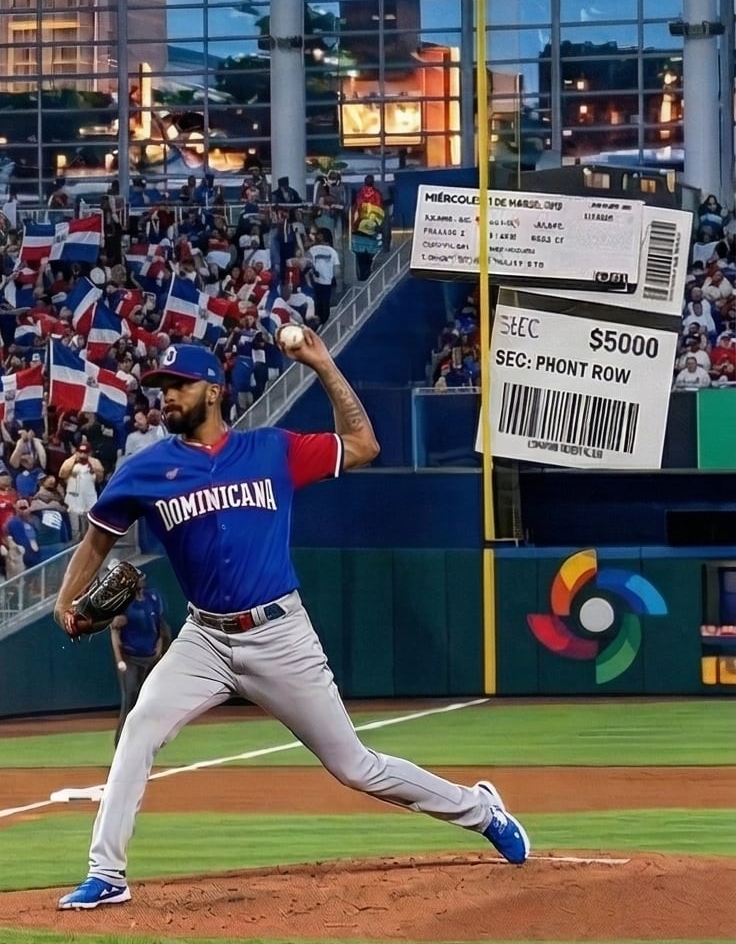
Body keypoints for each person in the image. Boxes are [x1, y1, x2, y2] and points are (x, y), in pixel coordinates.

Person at [49, 339, 528, 911]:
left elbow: (364, 444)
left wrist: (323, 364)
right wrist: (65, 602)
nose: (168, 396)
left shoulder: (271, 450)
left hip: (278, 634)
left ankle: (481, 810)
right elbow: (97, 539)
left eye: (179, 385)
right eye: (163, 387)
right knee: (140, 728)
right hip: (204, 639)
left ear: (213, 391)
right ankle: (106, 873)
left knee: (355, 767)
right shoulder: (145, 470)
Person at [111, 578, 169, 742]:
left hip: (150, 659)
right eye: (137, 578)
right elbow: (114, 632)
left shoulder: (153, 598)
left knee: (151, 700)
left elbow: (160, 628)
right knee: (130, 702)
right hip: (131, 660)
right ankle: (121, 743)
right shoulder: (124, 604)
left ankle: (148, 740)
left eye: (141, 577)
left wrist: (159, 652)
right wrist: (119, 660)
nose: (141, 580)